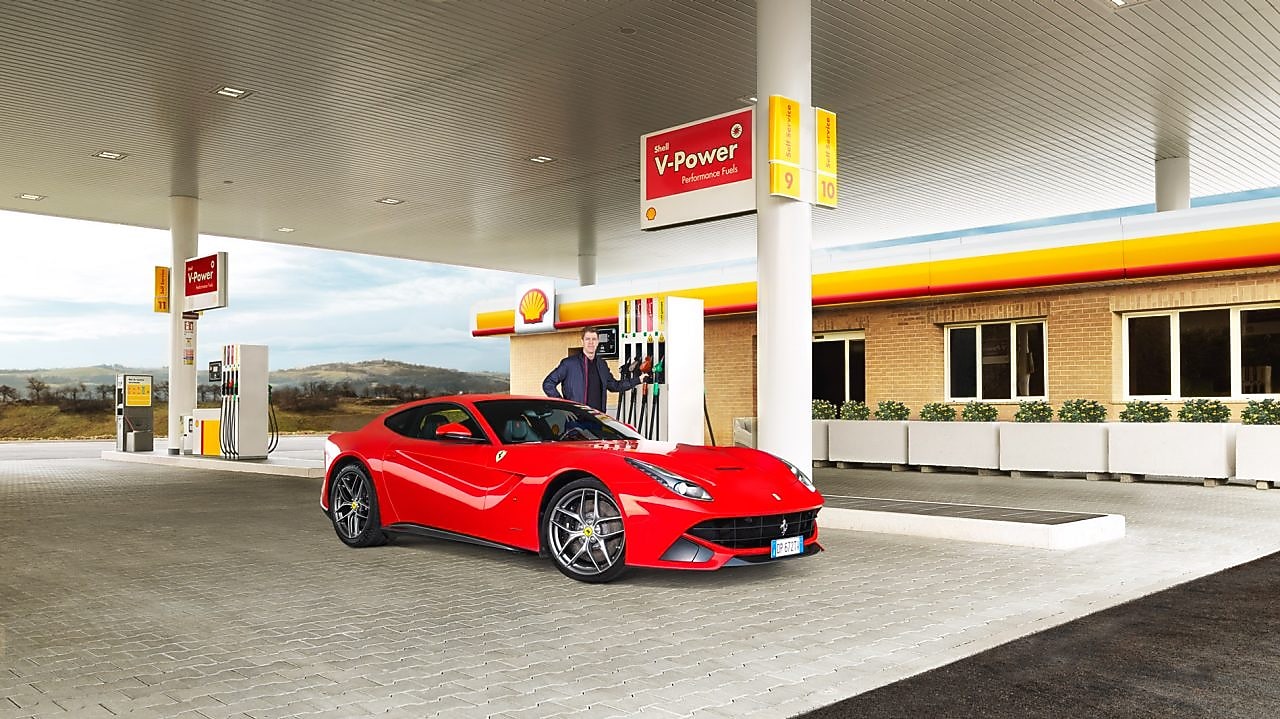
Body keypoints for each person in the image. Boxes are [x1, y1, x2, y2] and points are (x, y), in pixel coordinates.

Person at [543, 327, 645, 413]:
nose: (591, 342)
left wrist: (638, 380)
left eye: (594, 339)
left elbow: (614, 386)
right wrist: (564, 406)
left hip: (598, 419)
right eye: (587, 339)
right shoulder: (569, 364)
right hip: (576, 418)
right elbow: (548, 384)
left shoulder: (602, 364)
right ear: (582, 341)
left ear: (598, 342)